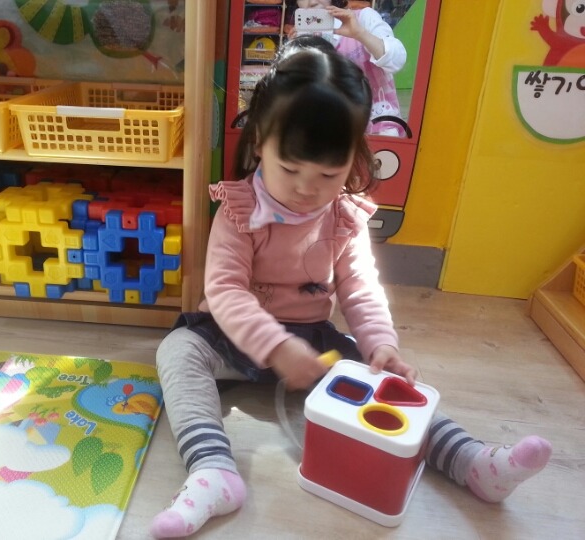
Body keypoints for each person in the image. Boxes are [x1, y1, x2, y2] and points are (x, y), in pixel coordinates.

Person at [150, 36, 552, 539]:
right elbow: (227, 291)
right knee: (177, 350)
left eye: (328, 173)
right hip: (231, 337)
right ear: (258, 146)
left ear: (354, 160)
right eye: (289, 168)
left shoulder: (344, 215)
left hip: (314, 344)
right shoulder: (238, 210)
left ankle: (471, 461)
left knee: (391, 382)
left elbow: (361, 287)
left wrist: (383, 345)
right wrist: (275, 347)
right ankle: (212, 470)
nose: (306, 187)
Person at [288, 0, 408, 136]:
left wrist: (360, 34)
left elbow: (397, 60)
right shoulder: (302, 36)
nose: (312, 1)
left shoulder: (363, 18)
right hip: (331, 135)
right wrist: (294, 56)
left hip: (380, 129)